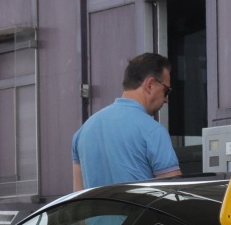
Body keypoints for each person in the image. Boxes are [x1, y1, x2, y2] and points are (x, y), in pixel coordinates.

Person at [71, 52, 182, 189]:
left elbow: (77, 195)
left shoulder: (82, 132)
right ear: (150, 84)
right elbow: (174, 192)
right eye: (166, 91)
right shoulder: (153, 131)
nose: (166, 99)